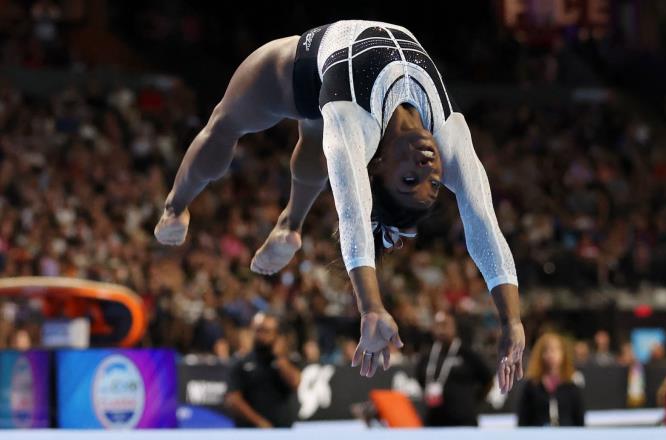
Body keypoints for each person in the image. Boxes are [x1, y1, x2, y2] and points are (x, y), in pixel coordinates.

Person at [153, 20, 524, 391]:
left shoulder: (355, 123)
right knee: (309, 133)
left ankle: (178, 208)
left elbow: (353, 214)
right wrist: (512, 322)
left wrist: (371, 307)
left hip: (298, 73)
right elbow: (483, 222)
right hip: (326, 76)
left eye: (409, 181)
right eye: (432, 183)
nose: (427, 169)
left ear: (376, 167)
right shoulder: (449, 137)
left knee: (226, 122)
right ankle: (278, 222)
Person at [416, 311, 493, 426]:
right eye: (438, 325)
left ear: (454, 327)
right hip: (434, 421)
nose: (441, 330)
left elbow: (488, 380)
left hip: (464, 421)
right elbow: (420, 379)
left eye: (445, 325)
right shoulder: (427, 355)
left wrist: (473, 400)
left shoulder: (468, 353)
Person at [225, 313, 301, 428]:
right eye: (258, 330)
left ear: (277, 334)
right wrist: (259, 422)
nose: (261, 335)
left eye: (266, 331)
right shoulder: (240, 362)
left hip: (283, 431)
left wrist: (280, 357)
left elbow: (295, 384)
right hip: (250, 432)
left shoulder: (288, 360)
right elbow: (233, 399)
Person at [516, 333, 585, 427]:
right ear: (540, 355)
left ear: (563, 353)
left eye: (556, 350)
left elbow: (580, 421)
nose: (551, 354)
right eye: (546, 350)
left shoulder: (571, 387)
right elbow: (522, 420)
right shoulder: (531, 386)